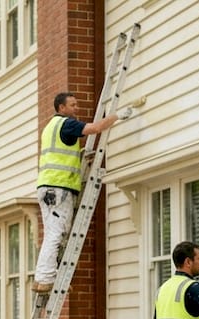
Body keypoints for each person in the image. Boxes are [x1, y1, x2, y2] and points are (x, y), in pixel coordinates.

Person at [32, 91, 131, 293]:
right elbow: (95, 128)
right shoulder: (66, 124)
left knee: (55, 232)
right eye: (73, 105)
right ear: (62, 108)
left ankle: (45, 277)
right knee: (56, 233)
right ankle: (44, 279)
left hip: (48, 186)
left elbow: (61, 155)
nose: (77, 108)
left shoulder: (50, 127)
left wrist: (80, 157)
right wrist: (118, 115)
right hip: (59, 188)